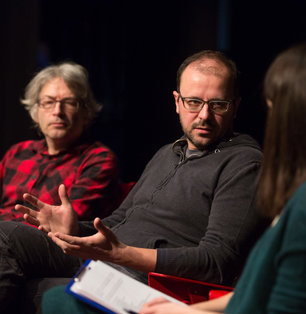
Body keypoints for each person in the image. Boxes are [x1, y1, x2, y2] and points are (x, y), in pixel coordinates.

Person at [0, 50, 268, 314]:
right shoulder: (168, 152)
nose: (204, 116)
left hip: (148, 279)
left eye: (218, 105)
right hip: (105, 259)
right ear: (177, 102)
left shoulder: (244, 163)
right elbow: (119, 220)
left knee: (51, 293)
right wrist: (75, 229)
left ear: (236, 107)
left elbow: (217, 262)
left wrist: (123, 254)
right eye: (194, 102)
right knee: (5, 234)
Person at [137, 39, 306, 314]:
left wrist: (181, 311)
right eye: (194, 102)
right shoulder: (300, 193)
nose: (205, 115)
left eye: (274, 106)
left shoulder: (305, 200)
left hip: (160, 284)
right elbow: (254, 292)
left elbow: (280, 306)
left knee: (58, 297)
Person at [0, 62, 121, 222]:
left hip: (46, 242)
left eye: (69, 103)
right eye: (48, 102)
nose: (58, 111)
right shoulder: (17, 152)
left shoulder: (98, 159)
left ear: (85, 112)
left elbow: (64, 224)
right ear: (36, 113)